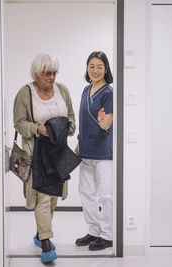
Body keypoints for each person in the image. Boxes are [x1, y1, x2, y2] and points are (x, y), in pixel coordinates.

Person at [13, 52, 76, 263]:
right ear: (37, 73)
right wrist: (37, 128)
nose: (52, 77)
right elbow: (19, 123)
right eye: (47, 73)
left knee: (53, 197)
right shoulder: (25, 93)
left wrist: (69, 128)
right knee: (42, 197)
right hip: (36, 155)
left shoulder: (63, 90)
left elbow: (71, 118)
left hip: (58, 154)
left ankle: (40, 234)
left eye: (54, 73)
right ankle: (47, 243)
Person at [75, 51, 114, 251]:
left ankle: (107, 235)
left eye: (100, 66)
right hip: (85, 151)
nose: (95, 70)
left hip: (103, 153)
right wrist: (79, 143)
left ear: (106, 69)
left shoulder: (109, 93)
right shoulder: (85, 90)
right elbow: (83, 121)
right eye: (92, 66)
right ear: (87, 68)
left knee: (105, 195)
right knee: (86, 193)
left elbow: (107, 123)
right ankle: (94, 231)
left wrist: (103, 121)